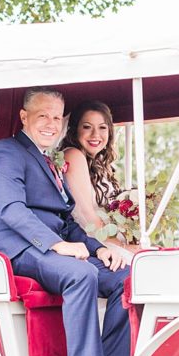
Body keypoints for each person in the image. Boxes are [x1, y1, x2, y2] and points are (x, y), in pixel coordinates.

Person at [0, 87, 130, 356]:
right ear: (24, 117)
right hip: (18, 249)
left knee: (123, 277)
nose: (50, 123)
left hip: (49, 248)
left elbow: (65, 222)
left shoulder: (46, 160)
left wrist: (97, 248)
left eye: (56, 117)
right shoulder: (6, 151)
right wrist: (55, 245)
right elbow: (11, 210)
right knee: (81, 274)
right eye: (42, 116)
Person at [58, 100, 140, 262]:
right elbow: (87, 215)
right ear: (75, 130)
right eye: (87, 127)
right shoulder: (73, 156)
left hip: (107, 238)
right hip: (92, 242)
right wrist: (123, 247)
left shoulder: (99, 164)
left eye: (102, 127)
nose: (96, 135)